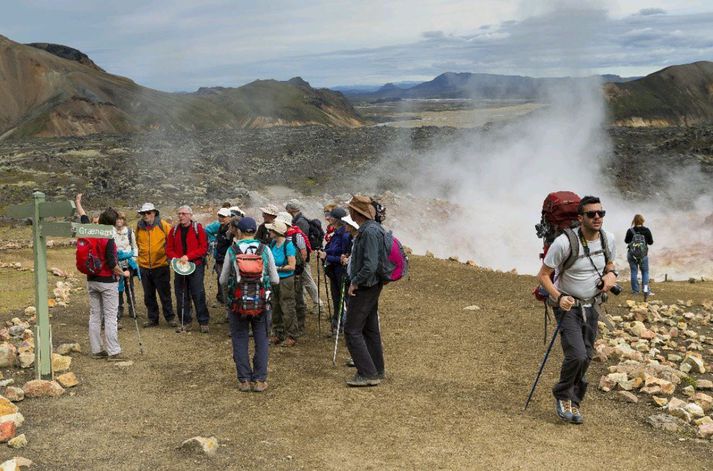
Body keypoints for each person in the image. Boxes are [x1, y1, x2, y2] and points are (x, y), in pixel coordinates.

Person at [536, 195, 618, 425]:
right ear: (580, 217)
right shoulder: (563, 243)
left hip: (593, 304)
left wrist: (611, 275)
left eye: (601, 213)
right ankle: (563, 396)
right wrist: (559, 297)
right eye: (591, 214)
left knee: (587, 356)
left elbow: (611, 264)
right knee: (577, 354)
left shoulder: (608, 239)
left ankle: (575, 401)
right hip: (568, 306)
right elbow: (543, 275)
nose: (597, 217)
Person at [220, 217, 279, 392]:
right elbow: (275, 279)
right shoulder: (265, 249)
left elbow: (223, 279)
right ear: (254, 231)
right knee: (261, 338)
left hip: (237, 302)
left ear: (239, 231)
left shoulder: (232, 250)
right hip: (261, 302)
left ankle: (244, 380)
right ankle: (260, 380)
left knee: (239, 338)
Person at [74, 194, 127, 361]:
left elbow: (82, 217)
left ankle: (96, 350)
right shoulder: (108, 238)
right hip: (107, 281)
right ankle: (113, 351)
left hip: (92, 279)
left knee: (95, 315)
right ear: (113, 223)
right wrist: (123, 273)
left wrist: (78, 202)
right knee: (111, 316)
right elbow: (112, 263)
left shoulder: (89, 230)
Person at [344, 195, 387, 387]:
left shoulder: (368, 232)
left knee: (352, 329)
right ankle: (377, 369)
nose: (349, 212)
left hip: (365, 286)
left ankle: (367, 373)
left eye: (351, 209)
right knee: (370, 329)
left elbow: (370, 265)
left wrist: (355, 282)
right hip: (372, 284)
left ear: (356, 212)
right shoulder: (374, 229)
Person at [166, 205, 210, 333]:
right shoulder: (173, 231)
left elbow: (203, 248)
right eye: (179, 214)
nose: (181, 216)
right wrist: (178, 258)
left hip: (195, 265)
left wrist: (188, 256)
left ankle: (203, 320)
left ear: (190, 215)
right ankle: (185, 321)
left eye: (184, 214)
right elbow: (168, 249)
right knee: (181, 293)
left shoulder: (198, 230)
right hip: (180, 266)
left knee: (198, 292)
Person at [135, 202, 177, 328]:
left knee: (165, 293)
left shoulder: (163, 225)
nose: (146, 215)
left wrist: (169, 258)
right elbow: (137, 242)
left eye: (148, 213)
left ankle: (170, 317)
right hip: (144, 266)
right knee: (148, 295)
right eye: (143, 213)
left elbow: (172, 241)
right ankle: (153, 318)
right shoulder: (139, 226)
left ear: (154, 213)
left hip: (161, 265)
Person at [319, 207, 352, 335]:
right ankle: (338, 325)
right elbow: (333, 250)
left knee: (345, 299)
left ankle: (348, 327)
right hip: (334, 271)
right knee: (336, 298)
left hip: (341, 271)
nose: (328, 218)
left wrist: (327, 256)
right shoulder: (337, 233)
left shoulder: (344, 236)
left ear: (336, 219)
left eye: (331, 216)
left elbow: (344, 258)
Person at [278, 211, 310, 337]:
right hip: (286, 271)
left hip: (295, 271)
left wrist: (298, 269)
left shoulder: (297, 235)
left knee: (297, 298)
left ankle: (300, 325)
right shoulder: (283, 235)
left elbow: (304, 253)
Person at [285, 200, 322, 310]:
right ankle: (304, 303)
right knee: (302, 281)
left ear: (291, 209)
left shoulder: (300, 222)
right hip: (299, 257)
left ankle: (318, 304)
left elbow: (301, 242)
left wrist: (302, 259)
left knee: (308, 280)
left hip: (301, 258)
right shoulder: (299, 220)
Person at [267, 220, 298, 347]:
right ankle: (277, 333)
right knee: (275, 305)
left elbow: (292, 266)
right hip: (275, 279)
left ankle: (291, 335)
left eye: (271, 230)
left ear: (277, 232)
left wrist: (276, 268)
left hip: (286, 280)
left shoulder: (288, 246)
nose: (269, 232)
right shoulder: (273, 243)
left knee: (287, 306)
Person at [114, 212, 139, 328]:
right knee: (118, 287)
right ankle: (119, 308)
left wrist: (133, 258)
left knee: (130, 285)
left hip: (128, 262)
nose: (119, 221)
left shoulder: (129, 232)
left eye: (121, 219)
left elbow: (134, 247)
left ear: (124, 220)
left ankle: (132, 307)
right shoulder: (111, 232)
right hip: (116, 263)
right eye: (117, 219)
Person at [205, 207, 234, 304]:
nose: (221, 218)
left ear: (229, 217)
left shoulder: (231, 230)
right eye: (220, 216)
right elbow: (207, 230)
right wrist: (213, 240)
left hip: (227, 259)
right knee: (220, 279)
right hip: (219, 258)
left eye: (223, 216)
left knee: (227, 280)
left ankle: (229, 300)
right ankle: (222, 298)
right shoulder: (219, 227)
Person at [625, 214, 654, 295]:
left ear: (634, 221)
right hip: (643, 255)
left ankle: (635, 291)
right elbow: (651, 242)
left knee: (634, 272)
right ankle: (645, 290)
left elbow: (626, 241)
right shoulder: (646, 230)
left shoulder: (630, 230)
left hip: (632, 254)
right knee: (645, 272)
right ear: (642, 221)